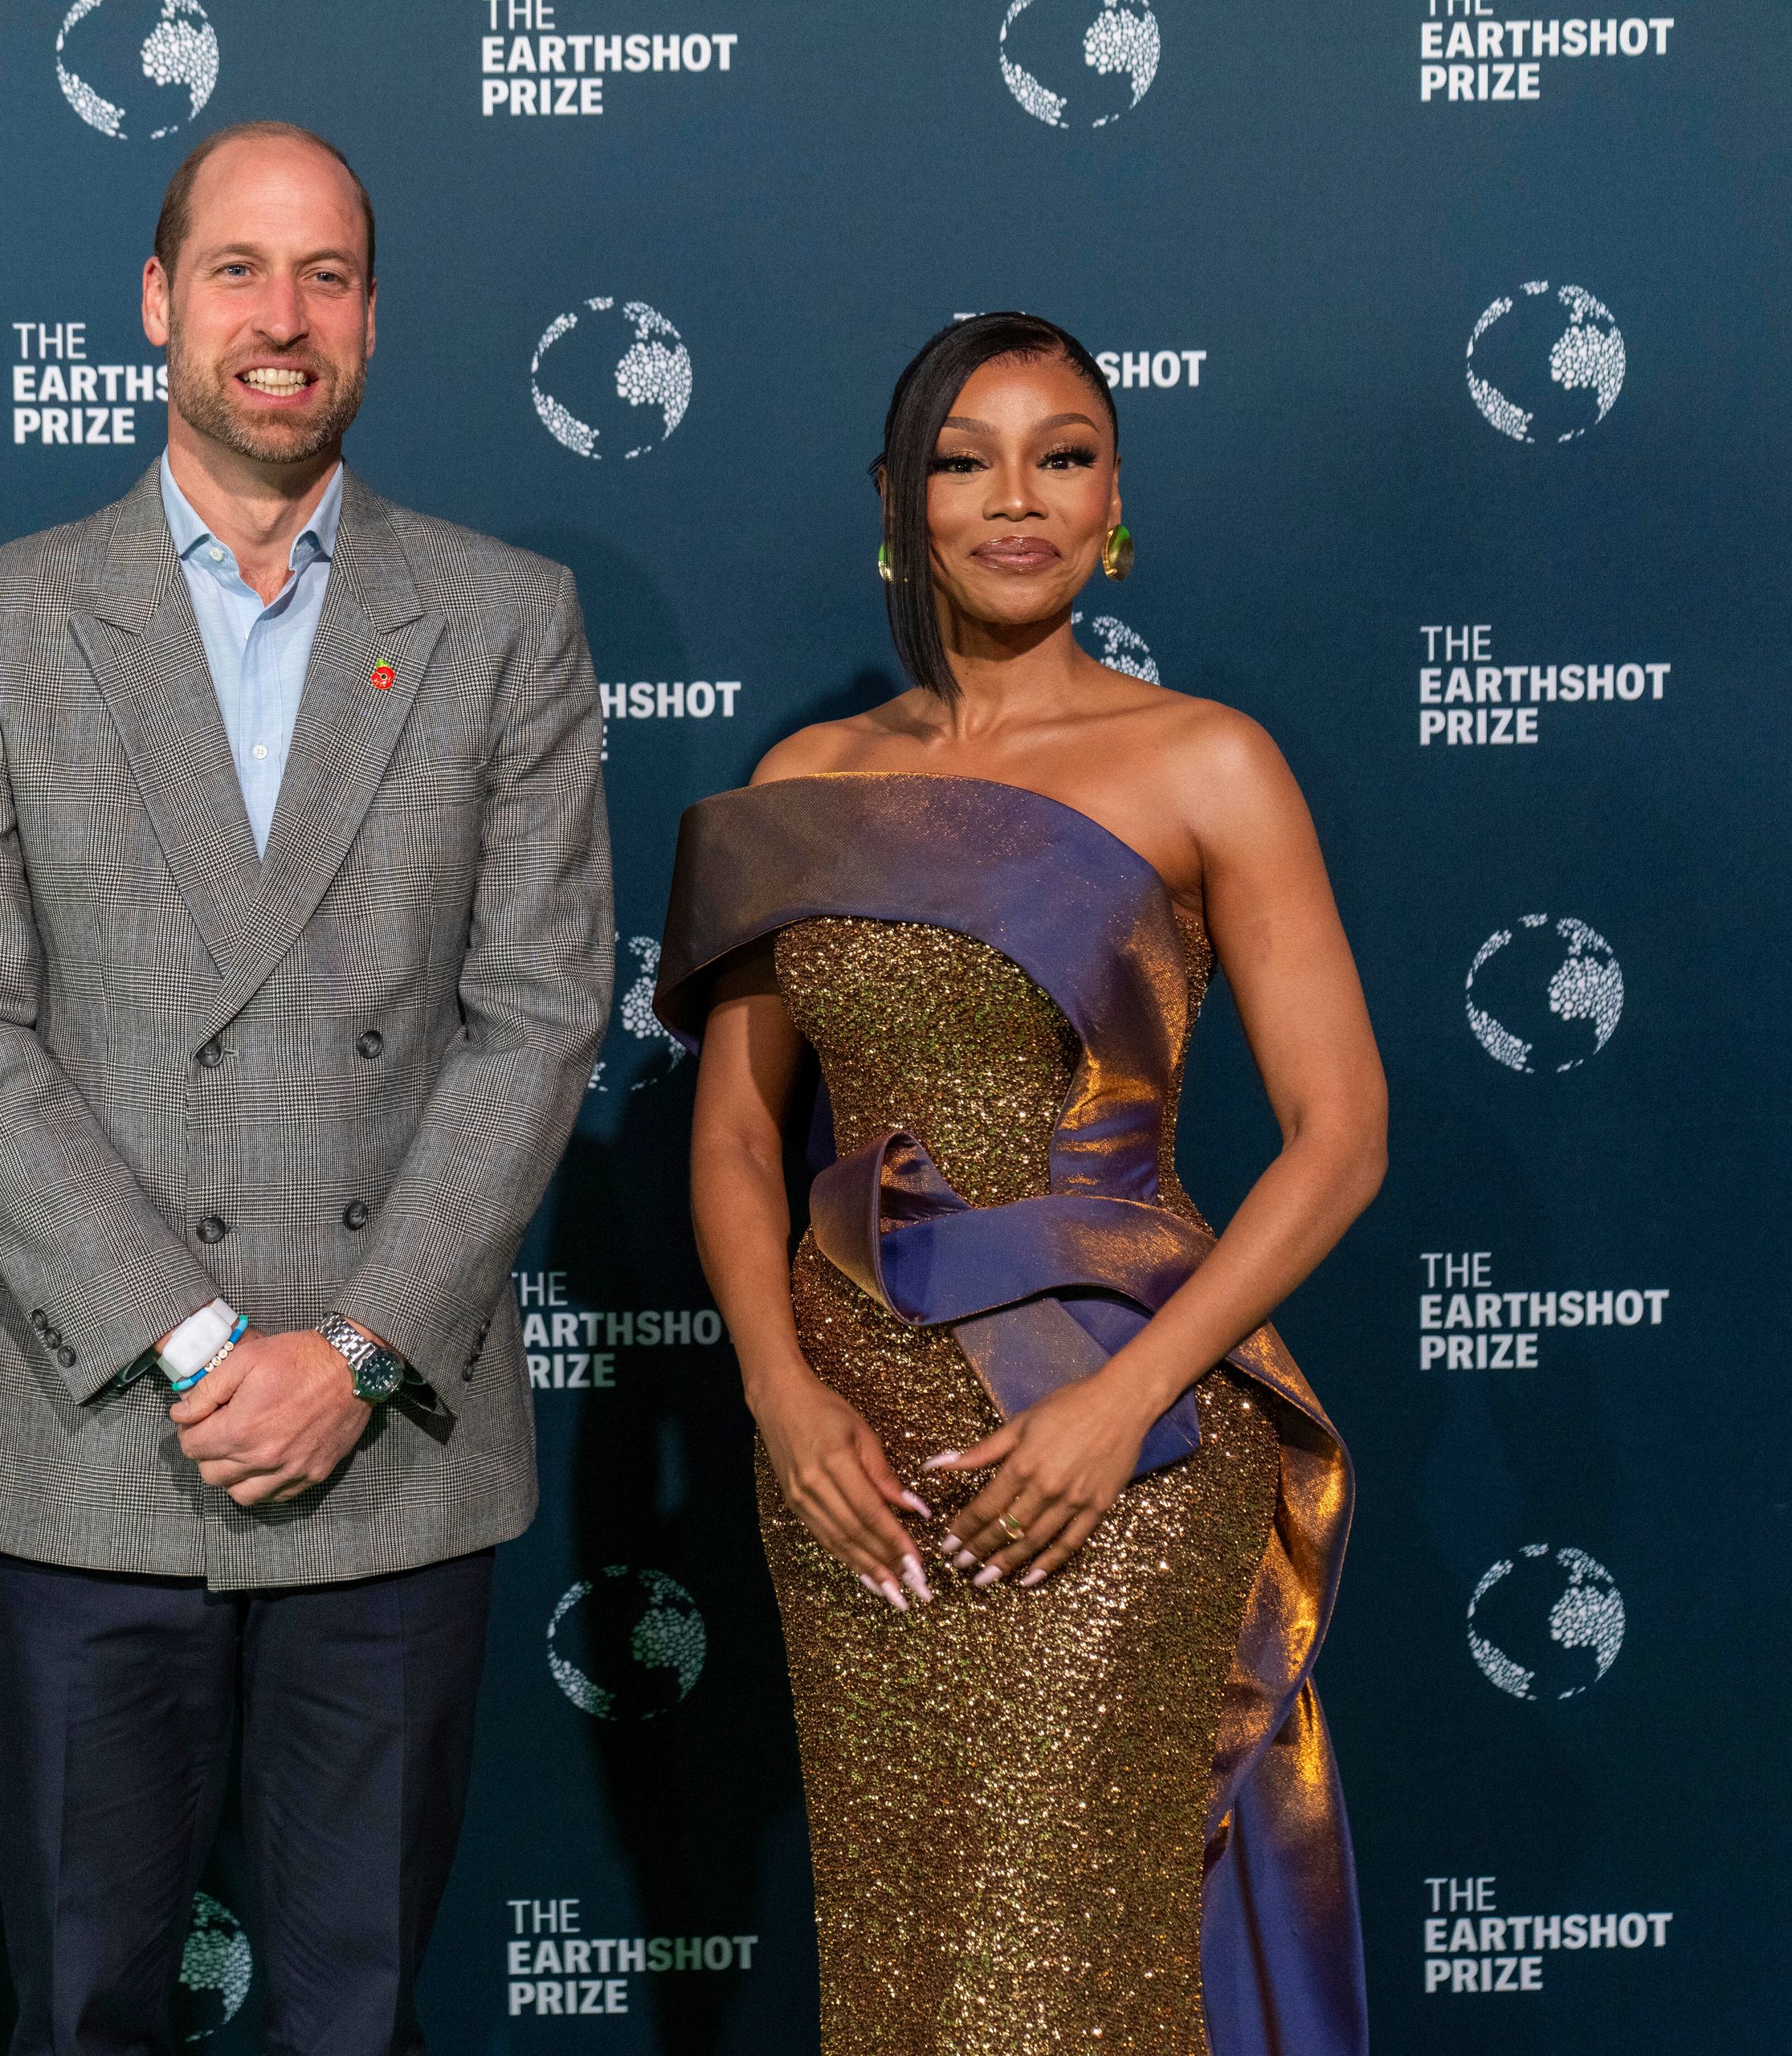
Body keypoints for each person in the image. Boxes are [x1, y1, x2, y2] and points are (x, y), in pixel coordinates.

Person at [0, 120, 612, 2056]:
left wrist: (352, 1349)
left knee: (357, 2013)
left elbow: (537, 1010)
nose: (282, 320)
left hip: (397, 1445)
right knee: (87, 2006)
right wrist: (199, 1340)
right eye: (238, 272)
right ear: (156, 304)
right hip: (99, 1432)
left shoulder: (502, 615)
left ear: (371, 314)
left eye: (328, 276)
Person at [662, 313, 1383, 2056]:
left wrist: (1125, 1405)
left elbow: (1342, 1130)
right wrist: (780, 1400)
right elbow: (744, 1134)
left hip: (1110, 1457)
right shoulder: (798, 786)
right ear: (903, 506)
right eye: (967, 459)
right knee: (906, 1976)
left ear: (1114, 502)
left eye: (1063, 456)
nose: (1018, 498)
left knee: (1067, 1974)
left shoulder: (1208, 760)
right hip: (855, 1478)